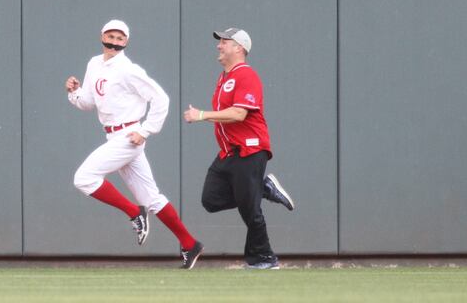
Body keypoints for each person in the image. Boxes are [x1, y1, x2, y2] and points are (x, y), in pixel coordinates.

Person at [66, 19, 203, 269]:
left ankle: (133, 212)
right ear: (102, 35)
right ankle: (189, 243)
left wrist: (146, 130)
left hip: (129, 136)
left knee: (83, 178)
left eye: (120, 38)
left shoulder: (128, 69)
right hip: (113, 135)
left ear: (126, 42)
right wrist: (74, 93)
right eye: (111, 36)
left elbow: (161, 98)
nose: (114, 42)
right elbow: (88, 102)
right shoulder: (94, 64)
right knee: (152, 198)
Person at [183, 27, 295, 270]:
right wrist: (204, 116)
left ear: (239, 48)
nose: (219, 45)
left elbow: (239, 113)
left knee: (249, 208)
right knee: (211, 200)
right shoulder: (224, 78)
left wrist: (201, 115)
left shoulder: (246, 75)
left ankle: (264, 258)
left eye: (225, 41)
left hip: (250, 149)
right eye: (220, 41)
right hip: (228, 152)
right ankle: (263, 186)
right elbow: (226, 116)